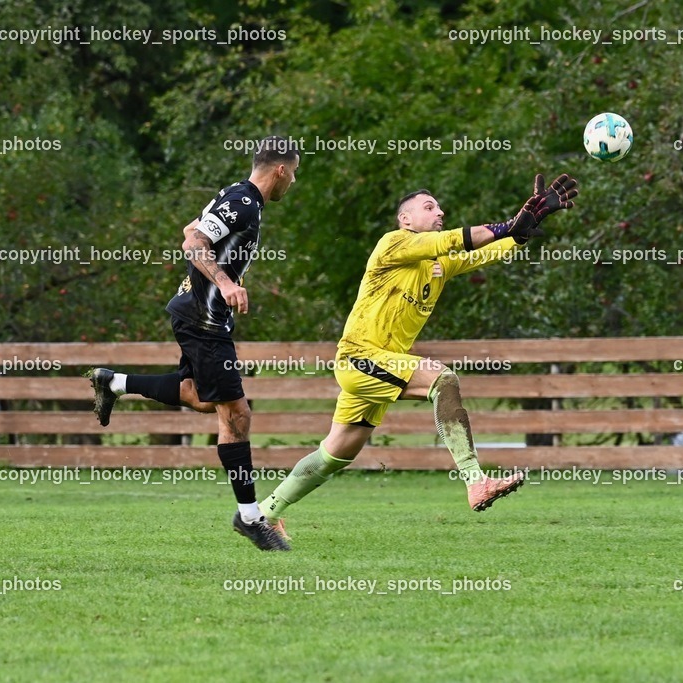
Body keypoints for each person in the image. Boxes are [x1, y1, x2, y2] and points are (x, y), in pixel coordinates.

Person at [259, 173, 579, 541]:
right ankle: (476, 480)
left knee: (335, 454)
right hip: (359, 357)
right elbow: (453, 239)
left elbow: (485, 251)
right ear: (405, 220)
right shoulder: (393, 243)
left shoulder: (437, 263)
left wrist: (522, 230)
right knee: (443, 379)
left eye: (440, 207)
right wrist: (507, 224)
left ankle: (265, 512)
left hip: (381, 365)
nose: (439, 211)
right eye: (429, 207)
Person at [90, 136, 300, 551]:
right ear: (281, 169)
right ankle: (251, 517)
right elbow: (193, 242)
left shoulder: (235, 197)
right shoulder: (243, 200)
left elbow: (192, 228)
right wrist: (224, 282)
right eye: (294, 174)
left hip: (198, 315)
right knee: (237, 414)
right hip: (203, 319)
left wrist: (224, 276)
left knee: (200, 397)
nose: (292, 182)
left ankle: (113, 383)